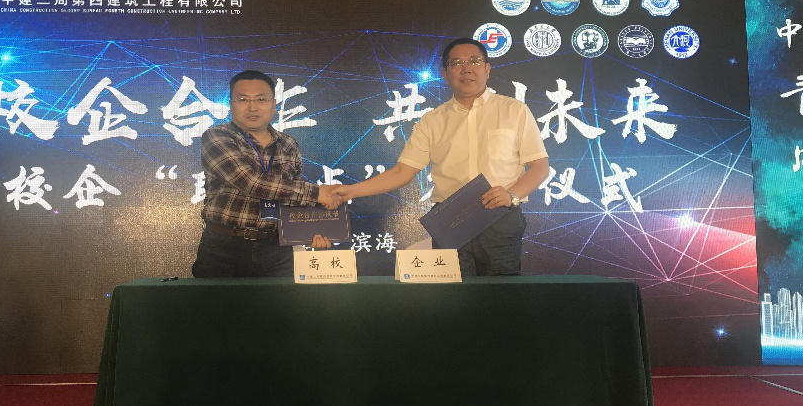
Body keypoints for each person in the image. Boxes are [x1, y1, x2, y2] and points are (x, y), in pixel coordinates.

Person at [334, 37, 550, 276]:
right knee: (453, 294)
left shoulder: (514, 110)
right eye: (456, 63)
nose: (466, 68)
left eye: (474, 61)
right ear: (445, 74)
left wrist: (512, 195)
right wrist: (351, 191)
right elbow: (402, 172)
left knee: (500, 293)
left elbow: (540, 167)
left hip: (499, 217)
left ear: (487, 69)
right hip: (450, 221)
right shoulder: (432, 120)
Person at [192, 69, 341, 278]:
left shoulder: (288, 143)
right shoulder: (217, 137)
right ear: (231, 105)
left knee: (282, 300)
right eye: (243, 99)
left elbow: (292, 196)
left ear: (274, 104)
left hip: (278, 247)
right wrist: (318, 193)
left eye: (261, 99)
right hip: (224, 247)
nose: (252, 107)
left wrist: (315, 228)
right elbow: (249, 181)